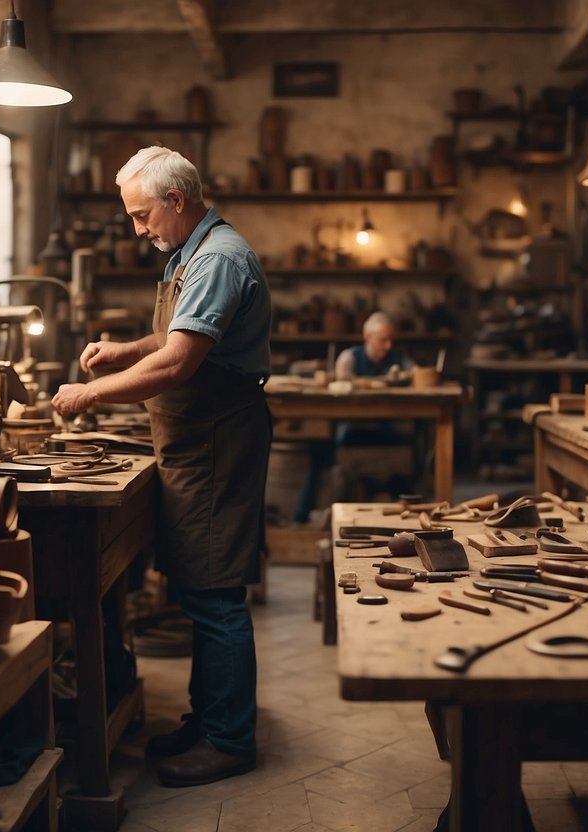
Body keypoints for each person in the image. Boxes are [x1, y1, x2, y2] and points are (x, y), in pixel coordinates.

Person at [51, 146, 272, 788]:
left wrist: (91, 393)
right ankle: (210, 721)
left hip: (215, 438)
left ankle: (229, 741)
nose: (137, 230)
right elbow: (179, 337)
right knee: (198, 586)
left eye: (143, 215)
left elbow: (180, 364)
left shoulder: (220, 259)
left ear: (177, 200)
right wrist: (125, 350)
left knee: (215, 591)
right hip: (194, 439)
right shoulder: (190, 253)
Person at [292, 312, 416, 523]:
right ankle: (304, 515)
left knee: (412, 447)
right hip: (352, 428)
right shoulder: (350, 357)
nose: (387, 346)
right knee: (319, 449)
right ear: (367, 337)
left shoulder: (397, 358)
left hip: (384, 428)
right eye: (382, 340)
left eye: (390, 340)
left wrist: (410, 375)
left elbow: (416, 373)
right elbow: (342, 381)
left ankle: (411, 510)